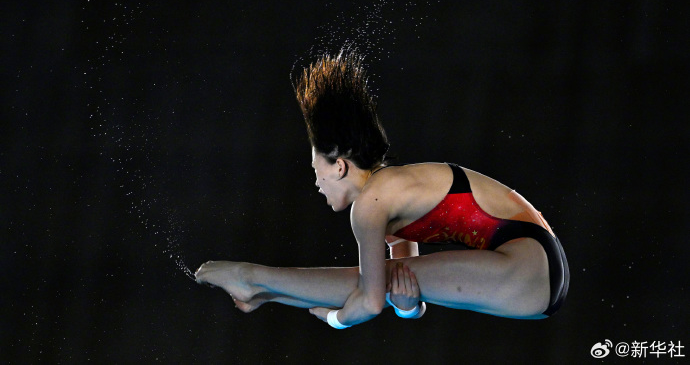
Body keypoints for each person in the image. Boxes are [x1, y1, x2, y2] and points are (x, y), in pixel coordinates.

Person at [195, 49, 569, 328]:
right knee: (389, 277)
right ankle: (261, 289)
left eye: (316, 171)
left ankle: (253, 278)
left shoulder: (373, 202)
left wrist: (334, 318)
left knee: (370, 282)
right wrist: (406, 304)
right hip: (537, 275)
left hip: (528, 267)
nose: (315, 184)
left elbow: (370, 303)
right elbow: (402, 297)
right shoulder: (389, 198)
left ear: (339, 165)